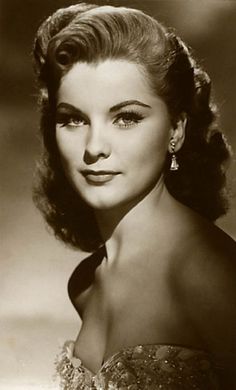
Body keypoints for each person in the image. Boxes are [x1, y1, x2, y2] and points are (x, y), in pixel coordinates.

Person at [33, 2, 236, 389]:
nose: (94, 146)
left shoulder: (211, 276)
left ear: (176, 128)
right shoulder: (86, 284)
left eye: (126, 117)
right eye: (73, 119)